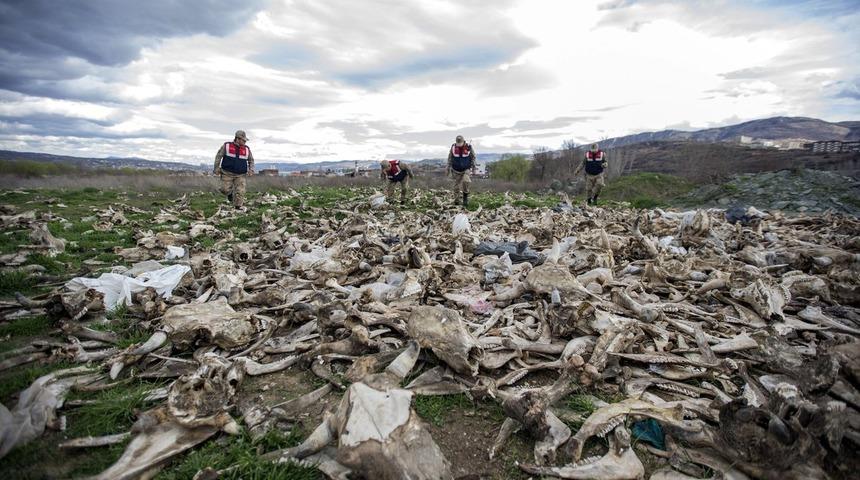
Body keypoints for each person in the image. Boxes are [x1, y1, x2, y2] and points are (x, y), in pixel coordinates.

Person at [214, 130, 255, 209]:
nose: (245, 142)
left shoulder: (247, 149)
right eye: (243, 140)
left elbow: (251, 160)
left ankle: (238, 207)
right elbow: (218, 156)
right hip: (226, 173)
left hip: (241, 175)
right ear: (238, 139)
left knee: (240, 191)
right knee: (224, 189)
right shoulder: (226, 146)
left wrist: (251, 169)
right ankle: (230, 194)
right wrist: (216, 168)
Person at [447, 135, 476, 207]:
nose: (459, 145)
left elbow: (473, 157)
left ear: (463, 142)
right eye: (458, 143)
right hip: (455, 170)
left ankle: (465, 198)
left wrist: (474, 167)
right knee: (456, 187)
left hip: (466, 169)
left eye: (460, 143)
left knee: (466, 181)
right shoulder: (453, 147)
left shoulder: (469, 147)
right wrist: (447, 167)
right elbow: (450, 157)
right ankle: (456, 201)